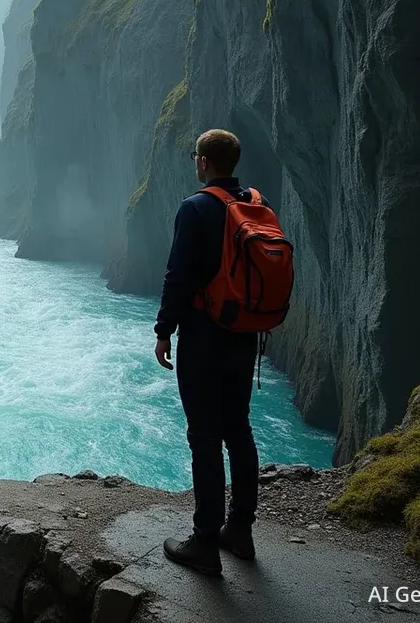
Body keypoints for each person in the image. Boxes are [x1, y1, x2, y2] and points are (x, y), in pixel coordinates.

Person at [154, 129, 268, 576]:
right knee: (238, 428)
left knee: (203, 435)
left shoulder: (196, 207)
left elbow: (177, 276)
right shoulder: (255, 204)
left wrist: (165, 330)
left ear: (203, 162)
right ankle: (240, 531)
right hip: (245, 335)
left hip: (203, 337)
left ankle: (204, 541)